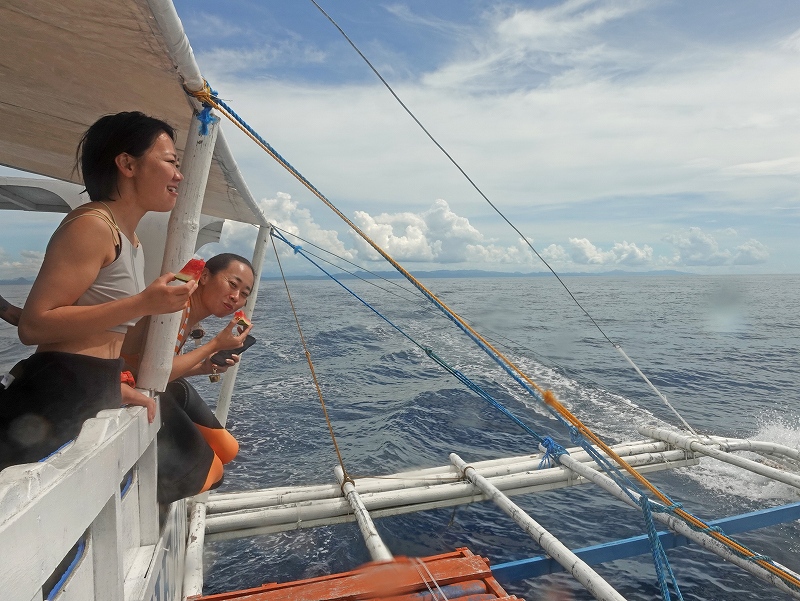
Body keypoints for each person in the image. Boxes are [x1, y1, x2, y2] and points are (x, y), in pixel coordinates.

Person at [0, 111, 196, 471]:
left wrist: (112, 384)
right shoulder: (92, 225)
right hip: (55, 393)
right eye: (170, 161)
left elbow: (99, 331)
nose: (178, 175)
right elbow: (35, 325)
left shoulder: (129, 239)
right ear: (127, 164)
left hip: (86, 387)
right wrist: (142, 303)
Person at [123, 252, 255, 503]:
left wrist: (203, 367)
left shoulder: (188, 313)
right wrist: (215, 343)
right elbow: (154, 374)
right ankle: (146, 503)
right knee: (213, 474)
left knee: (229, 449)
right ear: (204, 276)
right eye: (232, 284)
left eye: (244, 293)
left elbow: (161, 368)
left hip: (157, 385)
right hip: (134, 390)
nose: (236, 297)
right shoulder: (175, 307)